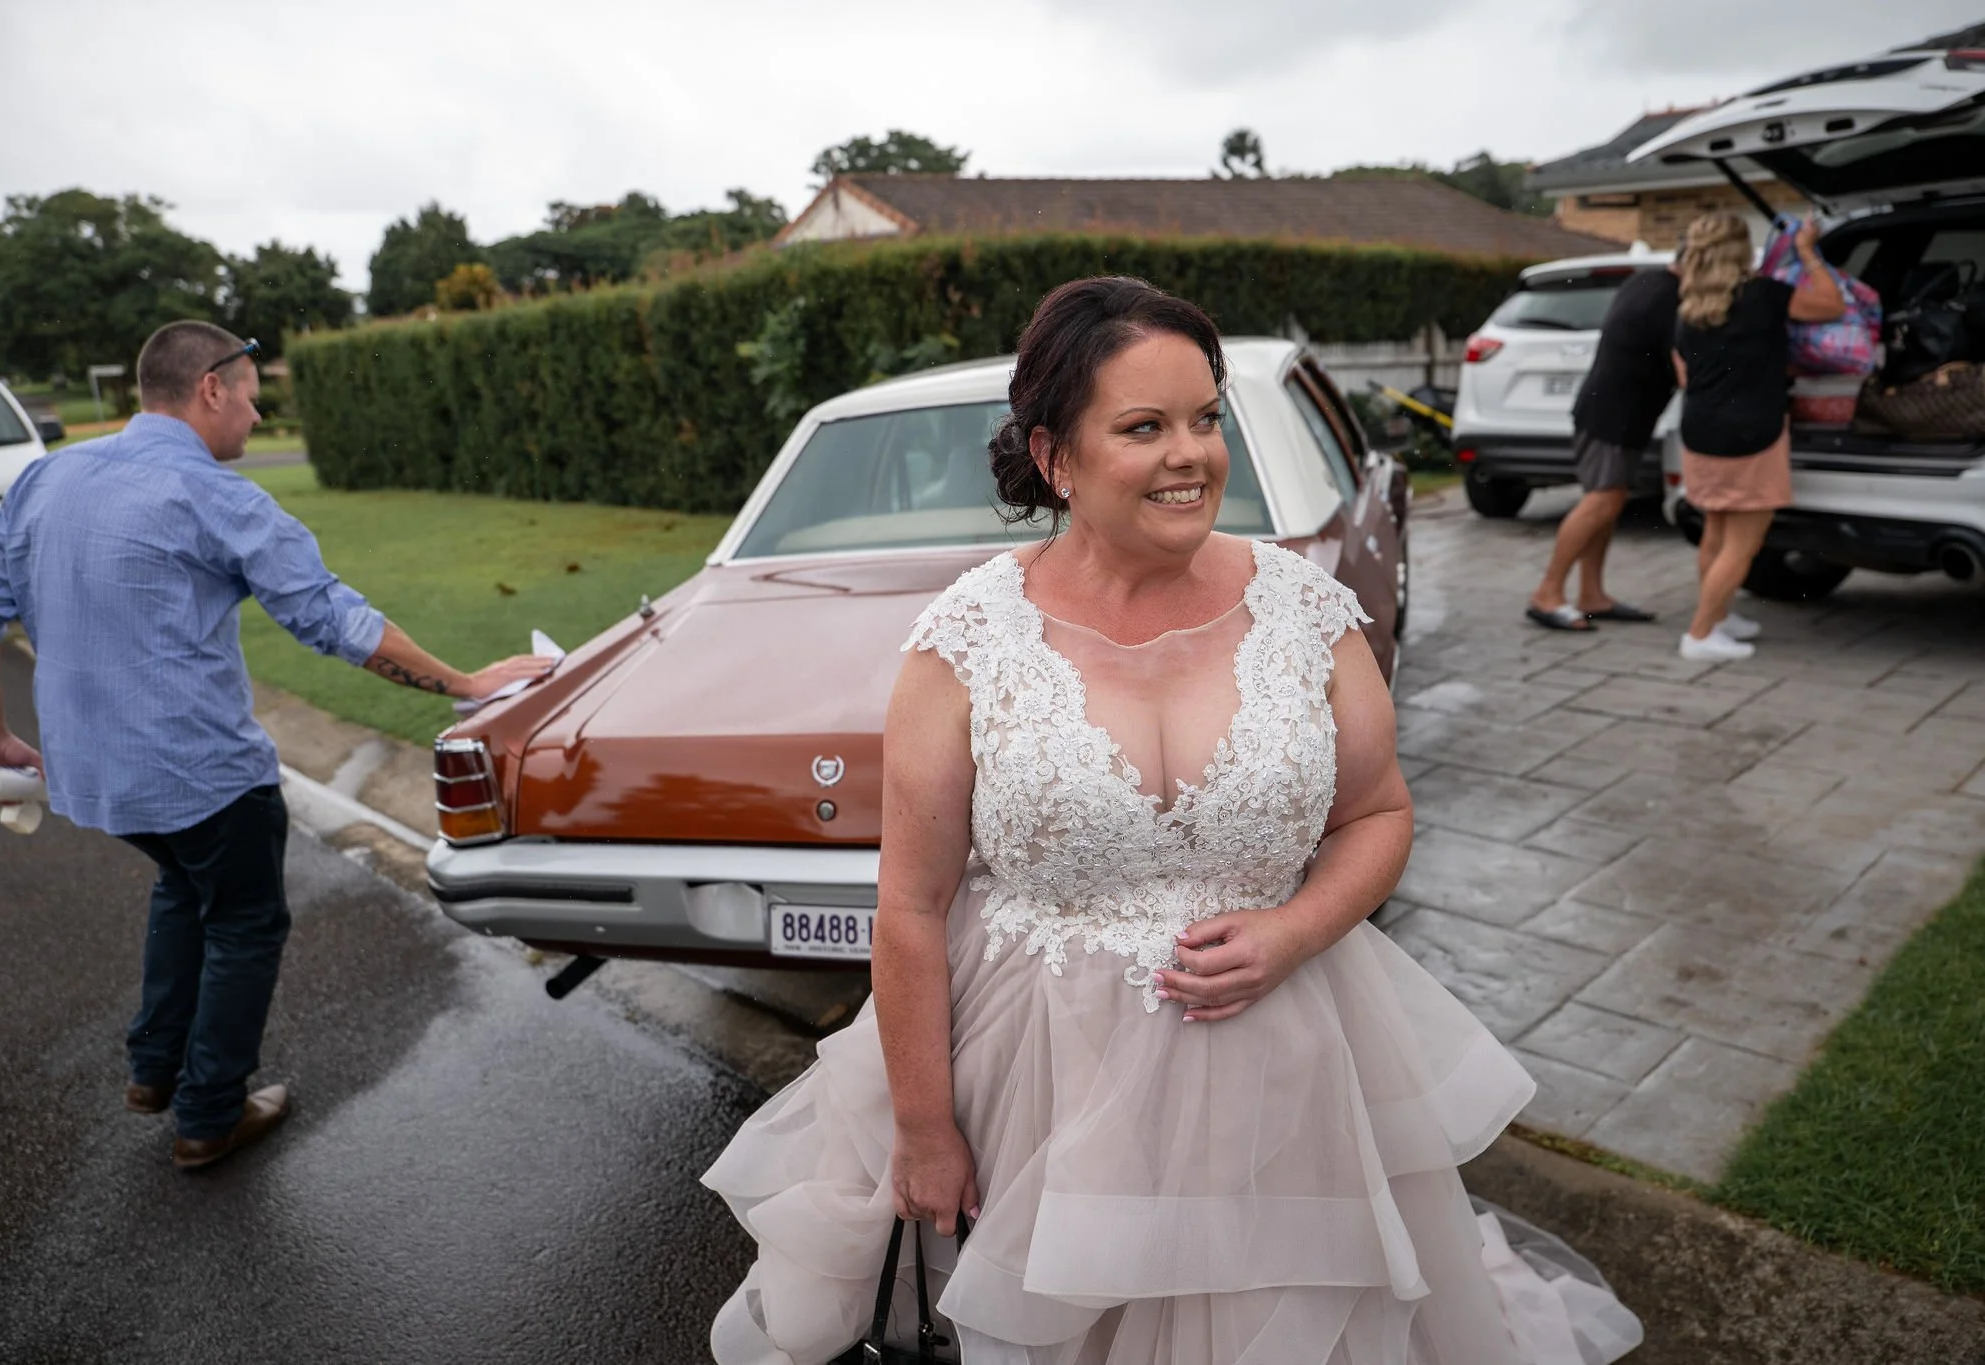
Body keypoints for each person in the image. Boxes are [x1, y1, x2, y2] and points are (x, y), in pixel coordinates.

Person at [702, 279, 1640, 1363]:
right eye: (1143, 427)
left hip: (1280, 1067)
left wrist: (1294, 929)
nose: (1189, 453)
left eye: (1205, 418)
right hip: (1035, 1076)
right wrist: (922, 1126)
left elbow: (1377, 813)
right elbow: (909, 906)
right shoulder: (965, 641)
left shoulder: (1303, 609)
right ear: (1055, 456)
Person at [0, 320, 553, 1170]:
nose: (259, 421)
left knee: (182, 885)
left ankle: (154, 1068)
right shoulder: (219, 498)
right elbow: (334, 621)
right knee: (243, 921)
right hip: (204, 776)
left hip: (95, 776)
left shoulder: (46, 478)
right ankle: (209, 1113)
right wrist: (465, 683)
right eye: (255, 401)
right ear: (211, 389)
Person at [1672, 212, 1844, 661]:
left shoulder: (1688, 310)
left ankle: (1720, 616)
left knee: (1716, 531)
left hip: (1700, 431)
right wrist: (1807, 251)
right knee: (1742, 545)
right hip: (1752, 434)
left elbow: (1687, 374)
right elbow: (1831, 305)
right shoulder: (1763, 296)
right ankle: (1701, 634)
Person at [1525, 258, 1683, 632]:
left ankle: (1592, 594)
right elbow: (1684, 367)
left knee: (1606, 502)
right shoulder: (1667, 298)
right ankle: (1546, 593)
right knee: (1602, 501)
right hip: (1612, 418)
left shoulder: (1649, 281)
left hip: (1612, 414)